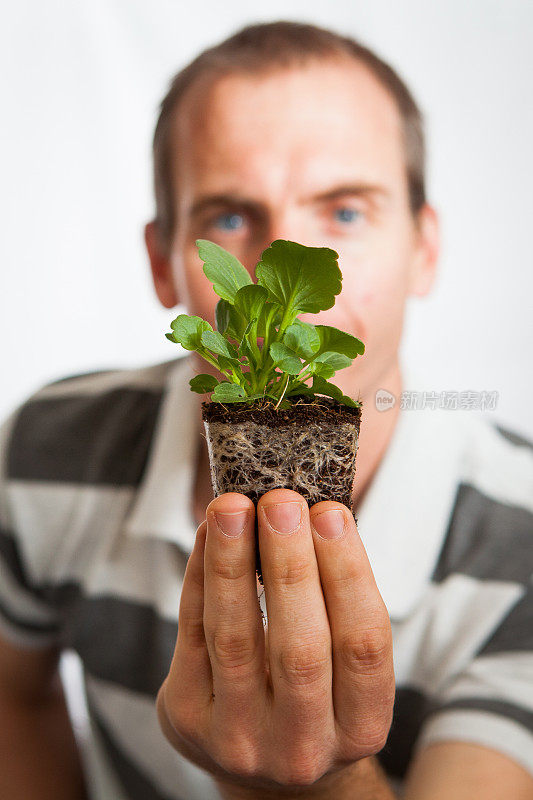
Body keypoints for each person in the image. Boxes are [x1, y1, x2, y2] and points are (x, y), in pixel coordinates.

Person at [0, 19, 532, 800]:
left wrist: (317, 781)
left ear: (424, 247)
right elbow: (11, 692)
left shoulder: (521, 532)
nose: (274, 267)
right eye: (227, 217)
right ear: (161, 262)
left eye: (345, 212)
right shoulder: (50, 449)